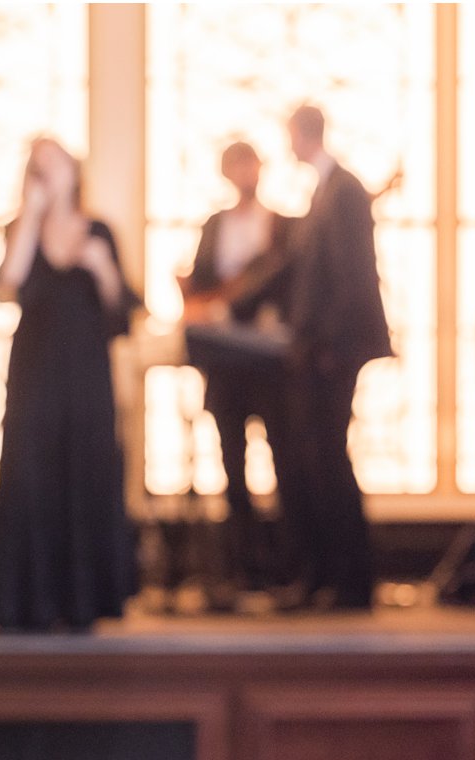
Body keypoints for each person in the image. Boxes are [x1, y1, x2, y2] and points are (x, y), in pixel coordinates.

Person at [0, 137, 138, 633]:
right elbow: (7, 284)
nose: (47, 175)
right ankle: (25, 600)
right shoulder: (21, 230)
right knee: (30, 476)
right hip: (34, 375)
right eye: (38, 168)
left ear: (75, 172)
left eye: (55, 165)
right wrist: (30, 216)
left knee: (86, 474)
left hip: (86, 378)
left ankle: (84, 600)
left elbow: (124, 311)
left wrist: (103, 269)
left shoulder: (99, 232)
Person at [267, 104, 394, 610]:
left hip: (333, 353)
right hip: (319, 348)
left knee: (329, 460)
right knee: (317, 460)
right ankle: (330, 576)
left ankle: (352, 580)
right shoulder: (325, 191)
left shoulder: (343, 190)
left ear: (300, 135)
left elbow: (352, 275)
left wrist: (331, 347)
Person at [180, 141, 299, 596]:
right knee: (231, 462)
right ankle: (241, 568)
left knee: (284, 459)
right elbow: (202, 280)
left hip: (269, 363)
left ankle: (286, 565)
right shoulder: (215, 225)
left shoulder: (281, 226)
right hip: (224, 362)